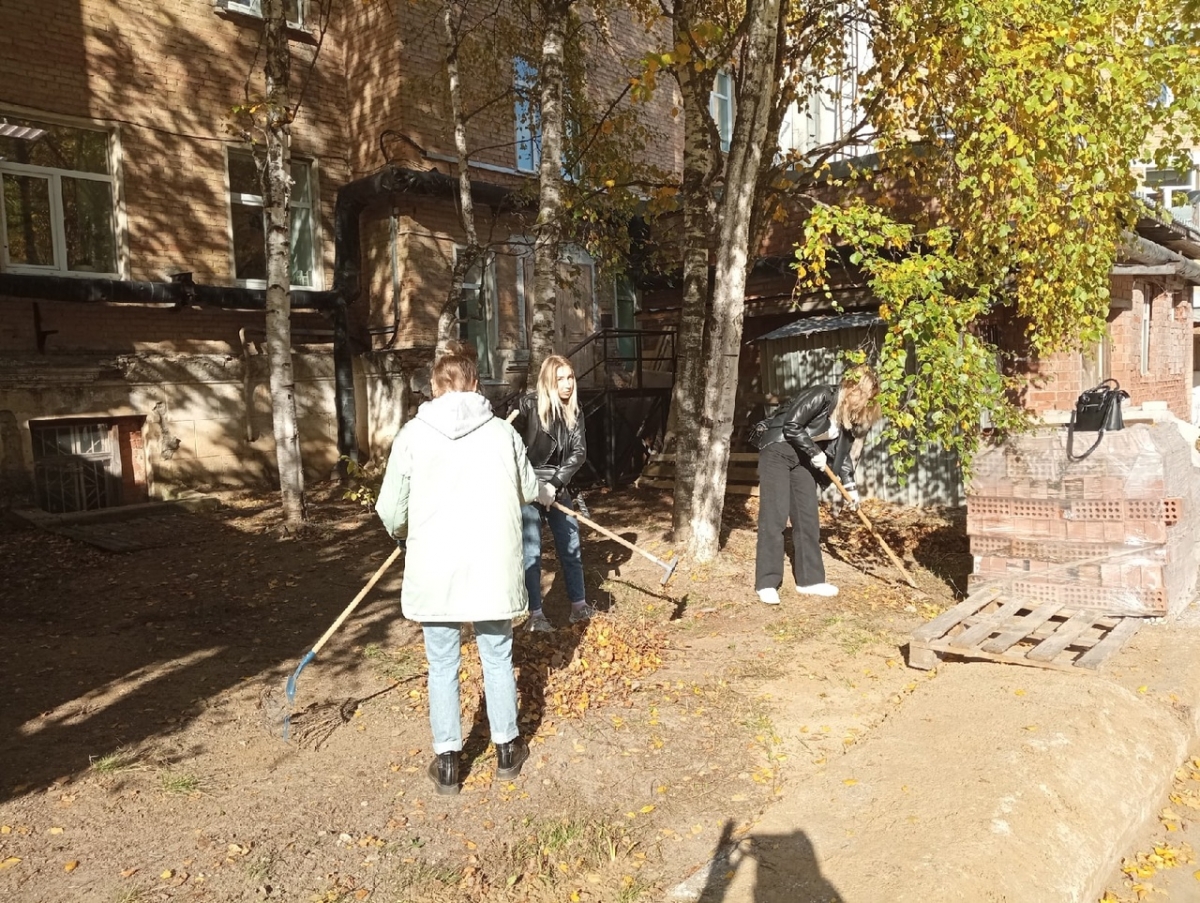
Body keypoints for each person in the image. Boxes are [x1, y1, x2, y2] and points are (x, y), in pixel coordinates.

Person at [375, 349, 539, 796]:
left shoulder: (412, 435)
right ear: (476, 384)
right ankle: (507, 749)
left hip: (436, 566)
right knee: (497, 657)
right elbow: (527, 488)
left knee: (443, 663)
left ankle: (448, 761)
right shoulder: (502, 434)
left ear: (434, 387)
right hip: (491, 564)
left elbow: (390, 509)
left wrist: (404, 532)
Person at [752, 365, 882, 605]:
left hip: (802, 459)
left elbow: (842, 456)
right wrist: (814, 451)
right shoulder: (822, 394)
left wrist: (851, 487)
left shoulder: (845, 417)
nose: (864, 403)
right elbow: (791, 425)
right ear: (852, 388)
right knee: (775, 516)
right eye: (864, 396)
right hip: (778, 450)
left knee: (807, 517)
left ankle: (810, 580)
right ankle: (767, 582)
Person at [511, 354, 595, 632]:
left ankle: (579, 607)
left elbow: (578, 453)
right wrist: (531, 485)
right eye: (560, 379)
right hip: (529, 488)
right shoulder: (527, 405)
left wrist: (554, 485)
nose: (567, 384)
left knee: (571, 547)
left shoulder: (574, 410)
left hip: (558, 486)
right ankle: (535, 615)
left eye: (570, 377)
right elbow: (509, 447)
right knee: (532, 552)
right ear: (549, 381)